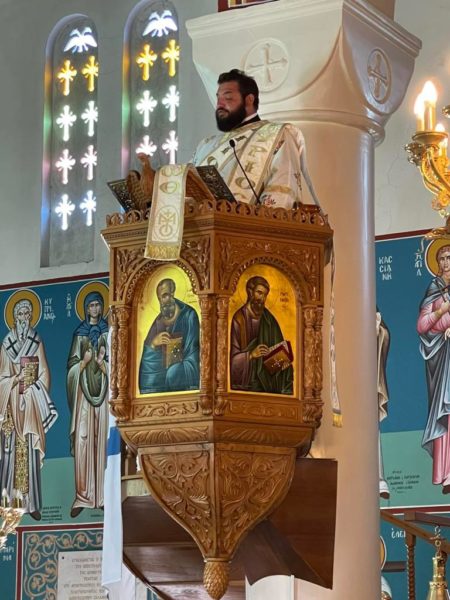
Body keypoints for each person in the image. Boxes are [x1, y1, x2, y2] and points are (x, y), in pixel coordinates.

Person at [192, 69, 305, 209]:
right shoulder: (206, 145)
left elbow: (282, 188)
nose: (219, 104)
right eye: (218, 98)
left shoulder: (278, 135)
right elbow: (189, 187)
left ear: (249, 99)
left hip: (250, 222)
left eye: (228, 98)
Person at [0, 298, 58, 520]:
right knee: (10, 454)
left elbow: (44, 372)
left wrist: (34, 386)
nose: (24, 318)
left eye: (27, 314)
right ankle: (8, 505)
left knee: (30, 453)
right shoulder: (6, 344)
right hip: (12, 406)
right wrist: (15, 379)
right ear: (14, 318)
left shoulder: (36, 340)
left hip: (31, 404)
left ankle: (31, 504)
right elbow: (1, 379)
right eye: (20, 314)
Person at [67, 291, 109, 517]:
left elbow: (117, 365)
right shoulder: (79, 334)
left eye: (97, 305)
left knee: (101, 441)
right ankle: (83, 496)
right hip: (83, 394)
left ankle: (102, 496)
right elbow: (71, 368)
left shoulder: (109, 332)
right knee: (83, 440)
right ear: (86, 309)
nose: (94, 309)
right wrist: (82, 363)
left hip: (104, 394)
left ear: (102, 307)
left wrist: (102, 364)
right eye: (91, 305)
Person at [417, 244, 450, 493]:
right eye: (442, 258)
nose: (446, 262)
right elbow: (422, 325)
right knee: (446, 410)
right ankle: (446, 472)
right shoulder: (434, 289)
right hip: (443, 359)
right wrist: (441, 311)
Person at [230, 276, 293, 395]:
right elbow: (232, 362)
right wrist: (251, 355)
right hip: (248, 381)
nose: (262, 298)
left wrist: (282, 360)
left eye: (265, 295)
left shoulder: (269, 320)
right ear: (250, 292)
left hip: (268, 380)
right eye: (259, 293)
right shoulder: (239, 319)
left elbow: (281, 352)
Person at [139, 278, 200, 394]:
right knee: (151, 383)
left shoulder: (189, 316)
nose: (162, 301)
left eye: (165, 295)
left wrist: (177, 364)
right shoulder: (158, 321)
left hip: (184, 368)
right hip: (162, 372)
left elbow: (193, 353)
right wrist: (153, 344)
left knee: (173, 373)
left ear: (173, 294)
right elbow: (147, 359)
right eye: (160, 298)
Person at [377, 310, 390, 499]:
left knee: (371, 430)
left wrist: (376, 328)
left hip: (364, 383)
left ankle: (378, 478)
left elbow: (384, 333)